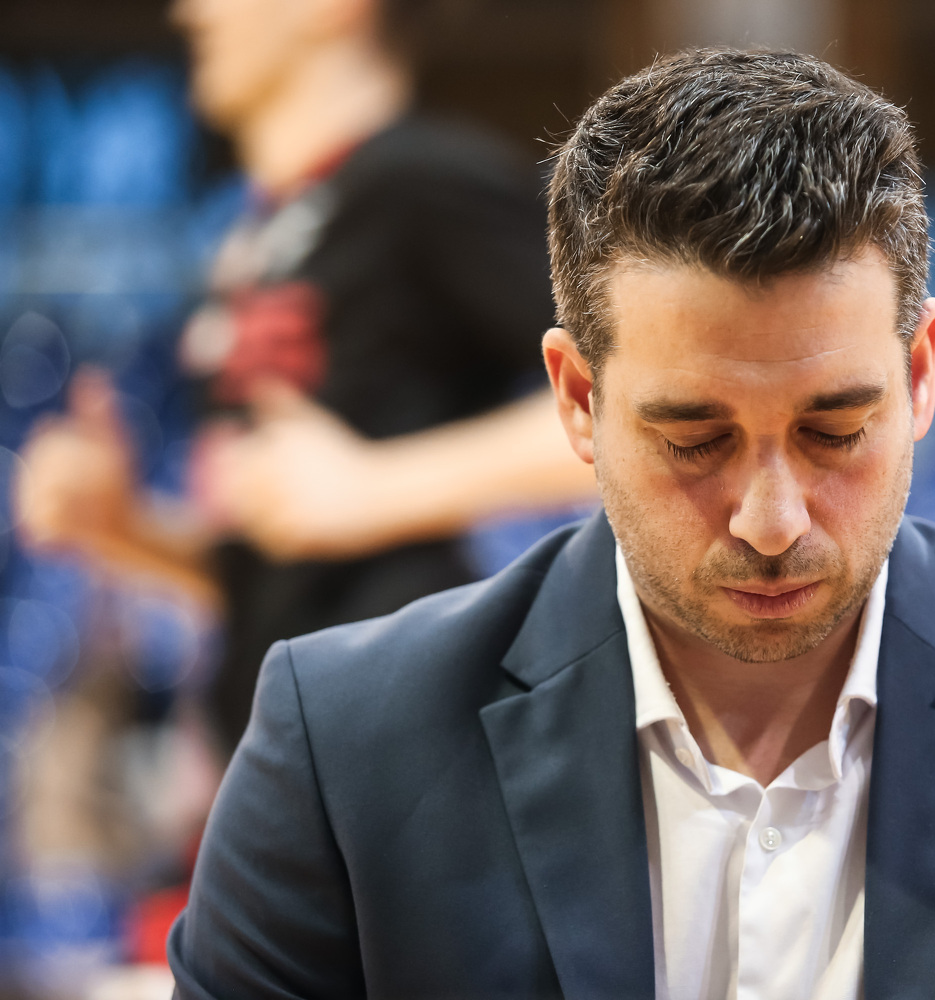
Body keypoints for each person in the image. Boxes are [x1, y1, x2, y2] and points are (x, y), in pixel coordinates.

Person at [168, 49, 935, 999]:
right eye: (695, 439)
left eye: (834, 431)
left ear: (921, 373)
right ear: (577, 399)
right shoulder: (342, 748)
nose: (772, 520)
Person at [15, 0, 595, 757]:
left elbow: (638, 403)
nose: (191, 12)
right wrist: (124, 529)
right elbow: (289, 567)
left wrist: (374, 487)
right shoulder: (257, 233)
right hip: (286, 754)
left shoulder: (420, 179)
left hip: (402, 749)